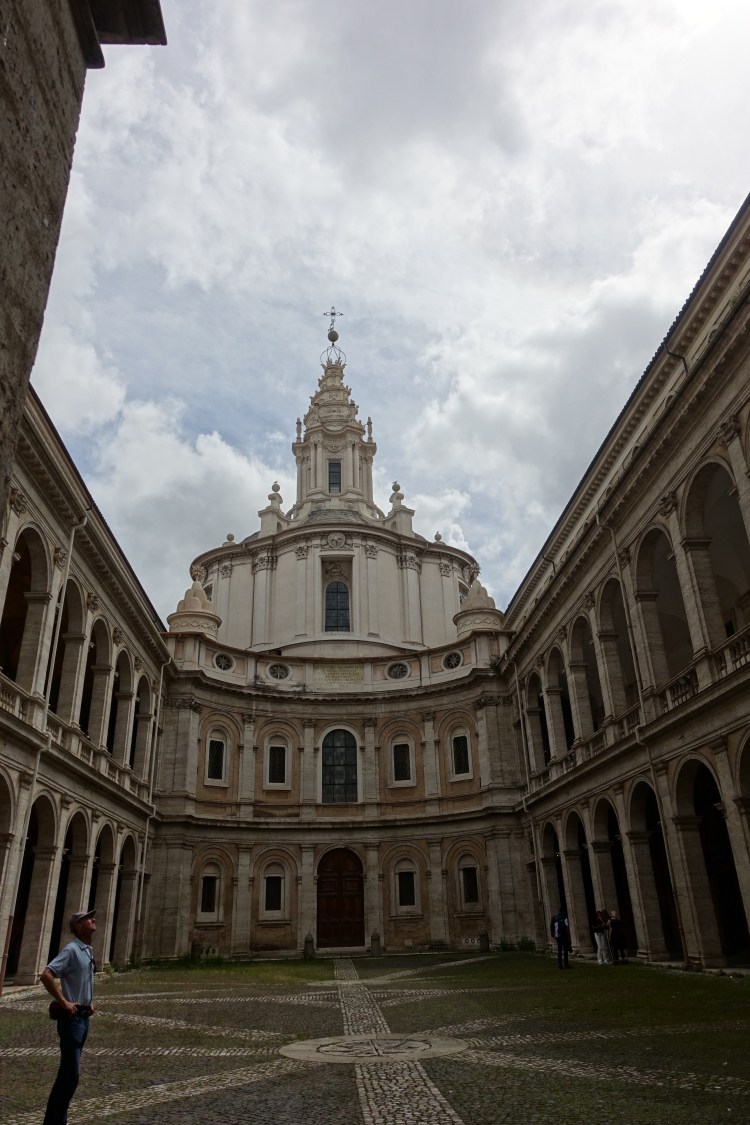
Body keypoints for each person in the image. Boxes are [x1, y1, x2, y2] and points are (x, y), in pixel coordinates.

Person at [39, 909, 97, 1125]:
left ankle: (56, 1120)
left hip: (83, 1018)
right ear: (78, 926)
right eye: (88, 918)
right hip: (71, 1021)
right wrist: (64, 1002)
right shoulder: (72, 949)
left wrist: (87, 1004)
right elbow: (46, 975)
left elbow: (81, 982)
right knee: (70, 1075)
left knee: (69, 1075)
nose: (93, 920)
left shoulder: (87, 950)